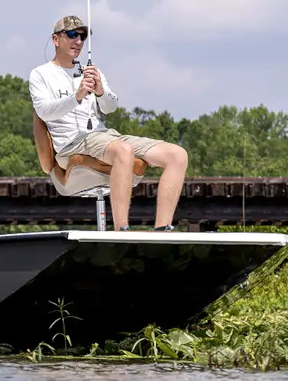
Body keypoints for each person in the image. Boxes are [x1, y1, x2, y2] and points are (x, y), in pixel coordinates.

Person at [28, 15, 189, 231]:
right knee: (123, 150)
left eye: (82, 36)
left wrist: (100, 91)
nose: (78, 41)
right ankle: (121, 230)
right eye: (72, 35)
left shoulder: (91, 70)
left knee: (177, 155)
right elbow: (43, 112)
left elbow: (111, 107)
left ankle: (163, 228)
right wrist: (76, 96)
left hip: (104, 137)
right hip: (71, 145)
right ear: (56, 40)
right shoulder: (41, 74)